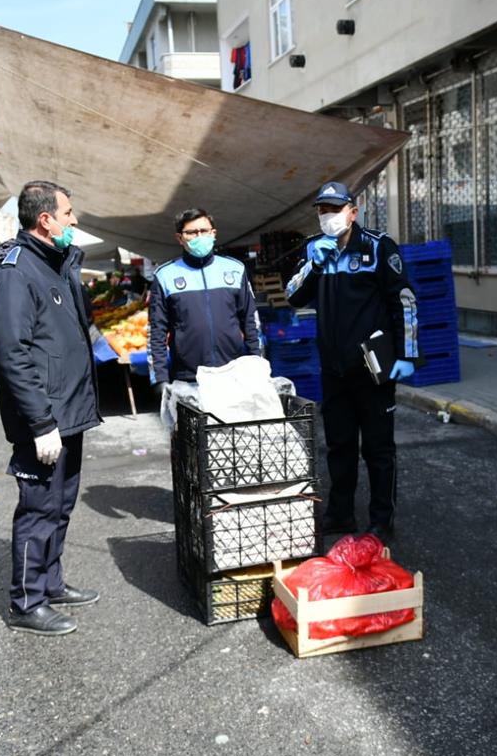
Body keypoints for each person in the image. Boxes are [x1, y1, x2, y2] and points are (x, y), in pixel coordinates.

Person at [0, 180, 101, 637]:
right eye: (68, 212)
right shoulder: (15, 272)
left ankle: (50, 583)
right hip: (44, 421)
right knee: (37, 510)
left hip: (68, 412)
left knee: (61, 505)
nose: (75, 220)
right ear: (45, 220)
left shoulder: (56, 263)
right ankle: (26, 602)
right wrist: (39, 422)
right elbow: (12, 354)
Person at [285, 182, 421, 541]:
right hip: (334, 369)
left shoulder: (377, 247)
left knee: (378, 450)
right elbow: (293, 297)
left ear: (353, 211)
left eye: (335, 208)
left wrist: (407, 354)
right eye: (322, 210)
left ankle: (381, 520)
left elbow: (403, 301)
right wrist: (315, 266)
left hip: (373, 369)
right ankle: (341, 514)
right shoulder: (315, 249)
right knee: (339, 446)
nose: (328, 216)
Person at [149, 209, 260, 391]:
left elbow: (250, 321)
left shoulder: (235, 269)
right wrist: (159, 379)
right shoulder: (165, 275)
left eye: (204, 231)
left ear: (213, 234)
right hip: (188, 378)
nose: (199, 236)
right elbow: (156, 331)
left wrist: (257, 361)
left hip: (233, 372)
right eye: (192, 232)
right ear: (180, 238)